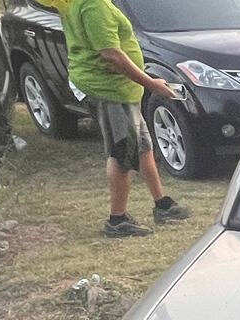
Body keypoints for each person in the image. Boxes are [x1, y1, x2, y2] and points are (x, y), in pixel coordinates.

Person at [57, 0, 191, 237]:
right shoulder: (93, 6)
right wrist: (151, 84)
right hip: (109, 90)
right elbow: (111, 55)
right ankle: (117, 221)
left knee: (143, 148)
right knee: (122, 151)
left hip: (122, 90)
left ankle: (162, 205)